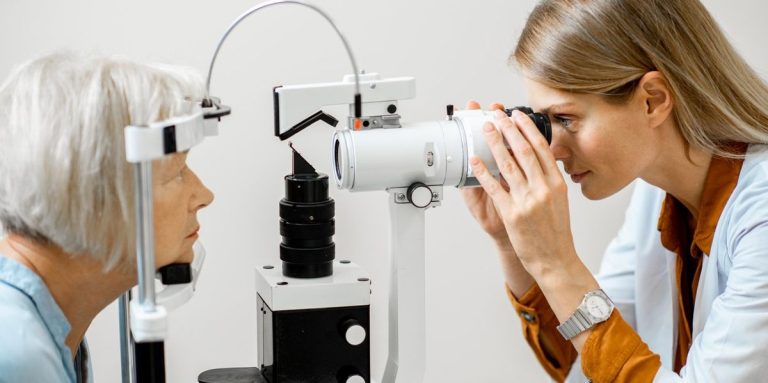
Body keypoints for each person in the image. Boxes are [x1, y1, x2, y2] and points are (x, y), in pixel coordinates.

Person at [462, 0, 768, 382]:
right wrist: (511, 243)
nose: (552, 150)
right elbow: (591, 364)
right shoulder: (657, 195)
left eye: (566, 119)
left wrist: (556, 263)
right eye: (545, 123)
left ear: (652, 100)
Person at [0, 53, 214, 382]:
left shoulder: (48, 328)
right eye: (177, 173)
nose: (204, 196)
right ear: (94, 195)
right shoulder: (17, 357)